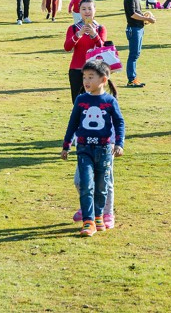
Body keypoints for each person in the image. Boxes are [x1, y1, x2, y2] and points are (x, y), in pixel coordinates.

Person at [61, 59, 125, 236]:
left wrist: (119, 144)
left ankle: (100, 216)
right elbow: (72, 123)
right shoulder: (81, 100)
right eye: (84, 77)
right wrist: (66, 145)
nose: (86, 81)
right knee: (85, 183)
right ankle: (88, 221)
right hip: (84, 149)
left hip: (105, 149)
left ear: (103, 80)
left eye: (91, 77)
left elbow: (119, 123)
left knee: (102, 185)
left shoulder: (109, 101)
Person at [64, 0, 107, 102]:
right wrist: (78, 34)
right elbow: (67, 47)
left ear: (94, 10)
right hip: (77, 69)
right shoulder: (73, 29)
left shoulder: (100, 28)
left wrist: (94, 35)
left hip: (95, 71)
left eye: (89, 8)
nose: (87, 11)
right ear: (79, 11)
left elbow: (102, 48)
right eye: (83, 9)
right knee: (78, 103)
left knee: (95, 102)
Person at [123, 0, 155, 87]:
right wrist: (147, 19)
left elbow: (137, 13)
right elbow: (132, 14)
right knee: (133, 54)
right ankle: (131, 80)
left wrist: (144, 17)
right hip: (133, 29)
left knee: (136, 54)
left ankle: (134, 78)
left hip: (139, 28)